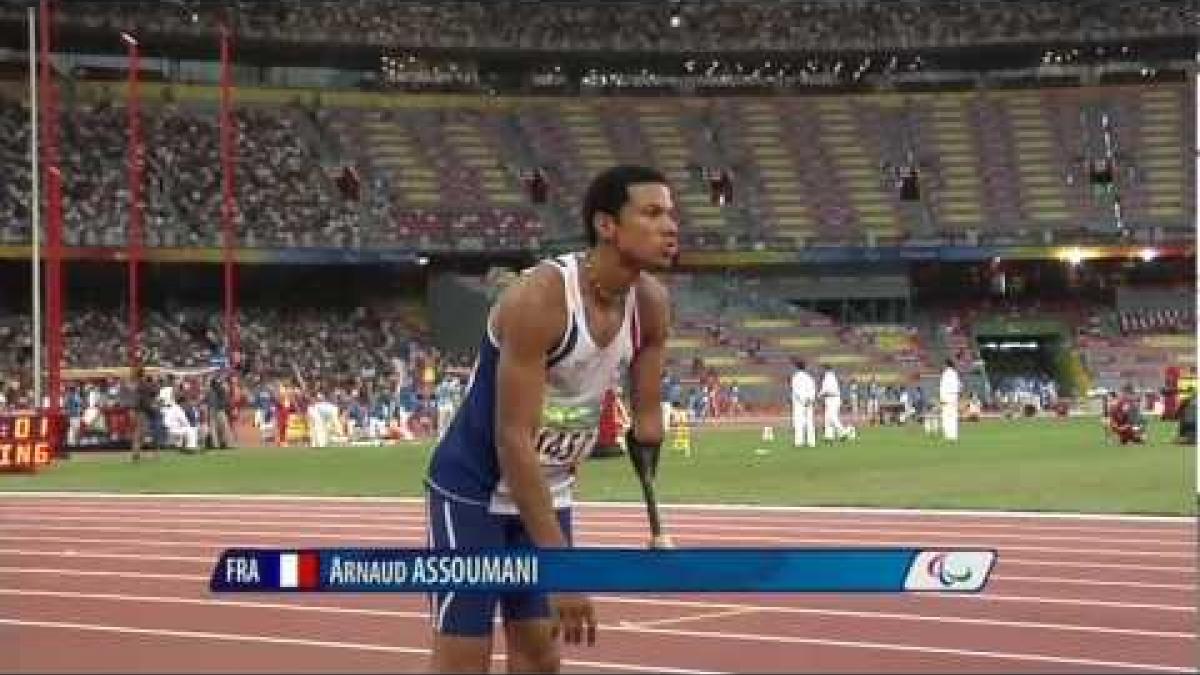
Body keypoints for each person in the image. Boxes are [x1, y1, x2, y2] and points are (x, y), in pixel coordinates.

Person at [423, 165, 678, 673]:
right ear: (607, 225)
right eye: (652, 213)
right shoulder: (540, 298)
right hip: (474, 489)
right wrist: (561, 567)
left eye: (670, 214)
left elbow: (646, 419)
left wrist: (650, 457)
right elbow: (511, 439)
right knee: (463, 661)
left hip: (549, 490)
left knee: (541, 656)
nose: (670, 226)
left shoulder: (650, 304)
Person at [790, 358, 816, 448]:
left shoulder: (795, 377)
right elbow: (813, 389)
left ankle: (799, 442)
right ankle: (811, 442)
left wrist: (803, 400)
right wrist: (810, 399)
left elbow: (796, 390)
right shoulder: (809, 377)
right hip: (809, 402)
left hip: (799, 403)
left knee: (798, 422)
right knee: (810, 421)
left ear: (796, 367)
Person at [819, 365, 849, 441]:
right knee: (828, 418)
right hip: (832, 398)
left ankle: (844, 431)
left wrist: (819, 395)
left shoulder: (828, 377)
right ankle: (829, 436)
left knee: (832, 417)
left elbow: (826, 389)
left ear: (825, 369)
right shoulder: (831, 376)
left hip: (832, 398)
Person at [939, 359, 961, 441]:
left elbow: (943, 387)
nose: (943, 366)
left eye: (943, 364)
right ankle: (953, 435)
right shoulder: (955, 373)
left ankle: (948, 435)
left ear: (946, 365)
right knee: (953, 416)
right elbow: (959, 386)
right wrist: (957, 395)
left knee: (946, 416)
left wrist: (942, 398)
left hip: (947, 396)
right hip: (954, 396)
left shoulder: (945, 374)